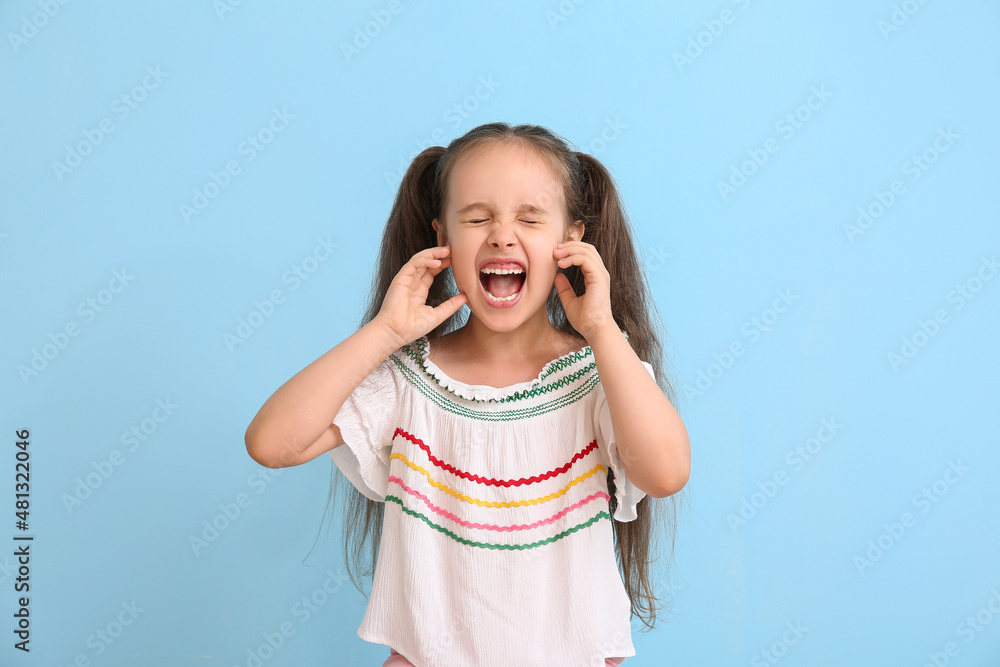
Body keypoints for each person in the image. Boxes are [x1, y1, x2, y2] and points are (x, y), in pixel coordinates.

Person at [245, 122, 690, 667]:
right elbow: (272, 444)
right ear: (442, 239)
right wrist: (384, 333)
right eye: (478, 218)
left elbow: (665, 474)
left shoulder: (601, 374)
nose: (502, 234)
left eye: (529, 218)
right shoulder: (410, 380)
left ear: (572, 242)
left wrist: (603, 332)